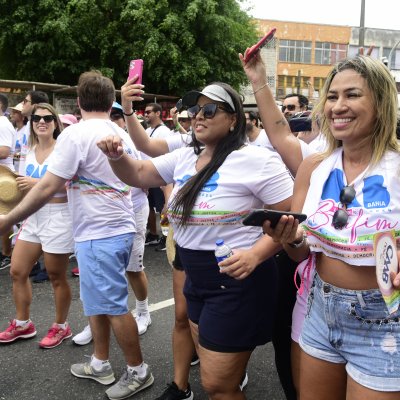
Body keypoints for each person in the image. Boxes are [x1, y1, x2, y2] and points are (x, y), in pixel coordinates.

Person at [97, 81, 294, 399]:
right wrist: (116, 156)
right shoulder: (186, 156)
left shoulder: (258, 160)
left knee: (217, 383)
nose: (198, 115)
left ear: (233, 119)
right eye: (194, 109)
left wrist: (257, 254)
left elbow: (293, 217)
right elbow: (138, 173)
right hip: (195, 274)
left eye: (210, 109)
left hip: (237, 279)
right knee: (214, 374)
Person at [0, 71, 153, 400]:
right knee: (97, 303)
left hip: (101, 232)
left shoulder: (76, 134)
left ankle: (138, 370)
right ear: (109, 101)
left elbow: (48, 187)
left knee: (112, 306)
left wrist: (7, 221)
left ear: (80, 102)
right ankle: (100, 363)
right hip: (107, 229)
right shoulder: (117, 130)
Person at [265, 55, 400, 399]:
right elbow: (300, 252)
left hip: (384, 319)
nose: (338, 106)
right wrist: (288, 240)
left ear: (382, 103)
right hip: (319, 310)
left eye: (352, 95)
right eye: (332, 96)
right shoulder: (314, 167)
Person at [0, 103, 74, 348]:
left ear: (56, 123)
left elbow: (67, 188)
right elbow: (22, 188)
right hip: (33, 217)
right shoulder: (27, 151)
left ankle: (61, 326)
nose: (41, 121)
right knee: (17, 271)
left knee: (56, 276)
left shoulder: (63, 150)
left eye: (47, 118)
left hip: (58, 216)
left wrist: (35, 184)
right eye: (36, 118)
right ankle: (23, 324)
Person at [143, 102, 172, 247]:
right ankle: (153, 234)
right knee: (148, 206)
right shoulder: (147, 131)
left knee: (162, 208)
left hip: (160, 175)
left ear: (158, 113)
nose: (146, 114)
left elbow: (167, 155)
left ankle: (166, 237)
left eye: (149, 112)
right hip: (147, 176)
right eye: (145, 112)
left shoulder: (165, 132)